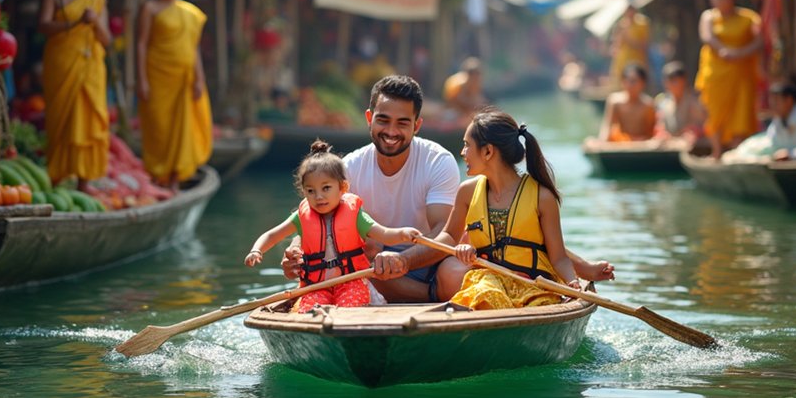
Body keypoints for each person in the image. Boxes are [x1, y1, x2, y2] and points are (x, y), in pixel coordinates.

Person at [281, 75, 614, 303]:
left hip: (432, 265)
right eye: (383, 120)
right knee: (364, 256)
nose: (391, 131)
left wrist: (577, 277)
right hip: (375, 267)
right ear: (369, 118)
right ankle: (431, 300)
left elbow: (449, 235)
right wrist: (297, 250)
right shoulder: (349, 167)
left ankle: (438, 301)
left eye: (402, 123)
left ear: (417, 125)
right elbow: (312, 213)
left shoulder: (437, 160)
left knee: (457, 270)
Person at [245, 140, 420, 312]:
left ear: (342, 187)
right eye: (311, 191)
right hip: (316, 286)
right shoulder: (301, 216)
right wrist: (256, 250)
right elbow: (272, 235)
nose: (319, 196)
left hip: (351, 282)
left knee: (349, 308)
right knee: (311, 310)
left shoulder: (355, 215)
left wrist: (403, 233)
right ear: (303, 191)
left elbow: (384, 233)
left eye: (326, 188)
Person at [435, 109, 580, 309]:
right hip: (487, 283)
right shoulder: (466, 192)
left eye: (467, 145)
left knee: (537, 303)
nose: (463, 152)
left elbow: (559, 257)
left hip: (534, 285)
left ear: (487, 151)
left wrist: (573, 284)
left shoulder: (543, 197)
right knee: (485, 294)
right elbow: (450, 236)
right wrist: (457, 248)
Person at [38, 0, 112, 191]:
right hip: (61, 62)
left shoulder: (98, 0)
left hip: (90, 67)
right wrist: (75, 23)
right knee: (60, 118)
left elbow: (107, 39)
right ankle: (56, 176)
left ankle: (84, 179)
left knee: (88, 119)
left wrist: (96, 22)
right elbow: (44, 26)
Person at [136, 0, 213, 188]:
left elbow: (193, 48)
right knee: (158, 127)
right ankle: (156, 177)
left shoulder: (190, 13)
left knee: (182, 129)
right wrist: (141, 79)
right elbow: (141, 44)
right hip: (157, 76)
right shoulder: (150, 8)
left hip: (184, 78)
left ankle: (174, 181)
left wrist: (200, 78)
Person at [695, 0, 762, 158]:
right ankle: (716, 152)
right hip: (716, 75)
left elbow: (760, 40)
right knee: (715, 114)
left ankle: (737, 152)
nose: (715, 0)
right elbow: (707, 36)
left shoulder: (749, 18)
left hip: (741, 74)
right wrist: (723, 50)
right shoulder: (709, 16)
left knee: (741, 113)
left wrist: (740, 53)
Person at [597, 63, 656, 142]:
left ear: (642, 83)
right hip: (621, 142)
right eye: (626, 81)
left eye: (633, 81)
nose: (630, 85)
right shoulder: (615, 101)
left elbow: (651, 132)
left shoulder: (648, 104)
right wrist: (601, 142)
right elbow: (607, 126)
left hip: (642, 143)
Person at [654, 61, 707, 142]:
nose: (671, 84)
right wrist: (663, 134)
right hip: (670, 144)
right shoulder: (662, 102)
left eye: (675, 80)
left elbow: (704, 126)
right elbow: (659, 126)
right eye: (669, 80)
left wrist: (693, 132)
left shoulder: (695, 101)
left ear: (684, 81)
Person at [608, 5, 650, 90]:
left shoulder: (642, 23)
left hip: (637, 61)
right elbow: (617, 45)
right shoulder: (622, 24)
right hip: (622, 62)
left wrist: (629, 40)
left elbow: (644, 45)